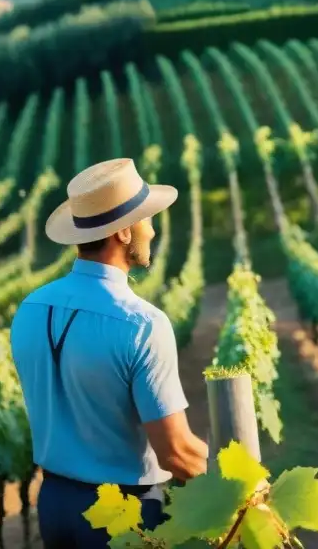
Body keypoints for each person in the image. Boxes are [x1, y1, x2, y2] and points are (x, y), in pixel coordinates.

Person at [10, 158, 208, 548]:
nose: (152, 230)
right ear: (121, 233)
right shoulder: (142, 325)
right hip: (124, 514)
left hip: (54, 506)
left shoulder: (30, 309)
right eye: (146, 219)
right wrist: (237, 483)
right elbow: (176, 454)